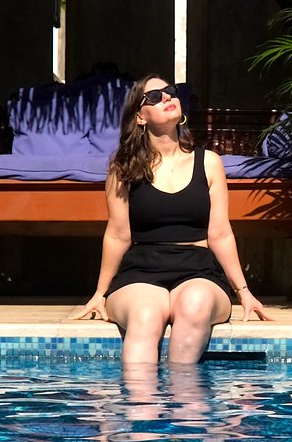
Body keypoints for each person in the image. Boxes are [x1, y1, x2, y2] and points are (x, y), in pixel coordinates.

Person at [70, 75, 270, 363]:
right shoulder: (123, 168)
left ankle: (184, 402)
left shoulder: (209, 162)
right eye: (153, 97)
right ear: (139, 117)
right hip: (141, 271)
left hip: (199, 270)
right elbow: (118, 234)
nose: (166, 97)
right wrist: (100, 293)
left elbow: (220, 234)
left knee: (194, 305)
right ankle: (140, 405)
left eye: (170, 92)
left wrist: (244, 292)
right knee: (147, 313)